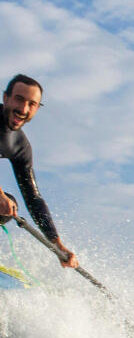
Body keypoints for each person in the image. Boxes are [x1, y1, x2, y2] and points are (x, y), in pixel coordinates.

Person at [0, 74, 79, 268]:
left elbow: (33, 198)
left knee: (8, 208)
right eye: (19, 99)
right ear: (6, 98)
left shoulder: (20, 146)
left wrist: (57, 245)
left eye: (31, 104)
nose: (23, 109)